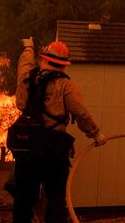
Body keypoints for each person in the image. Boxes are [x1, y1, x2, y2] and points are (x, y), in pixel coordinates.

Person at [12, 37, 108, 223]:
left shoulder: (26, 78)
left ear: (43, 59)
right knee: (55, 196)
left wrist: (28, 48)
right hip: (53, 148)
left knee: (23, 196)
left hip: (26, 145)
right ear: (64, 65)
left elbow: (24, 64)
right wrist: (96, 133)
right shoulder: (66, 85)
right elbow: (81, 113)